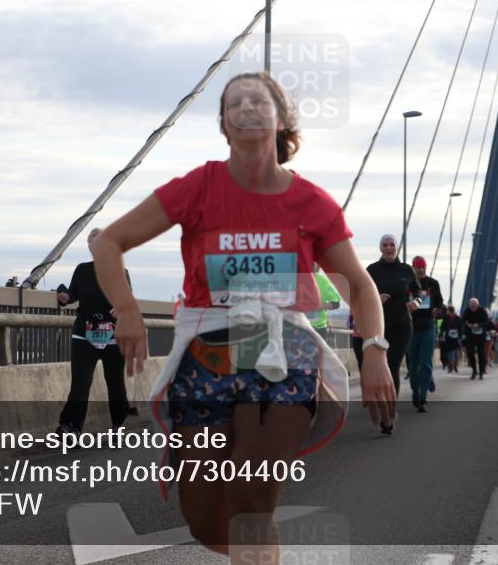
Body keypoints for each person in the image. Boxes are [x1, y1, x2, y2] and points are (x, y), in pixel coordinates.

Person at [90, 71, 396, 557]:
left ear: (281, 121)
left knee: (252, 497)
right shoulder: (197, 188)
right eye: (236, 103)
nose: (248, 108)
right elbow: (109, 241)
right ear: (224, 126)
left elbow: (360, 283)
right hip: (207, 354)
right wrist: (125, 311)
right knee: (206, 519)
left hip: (284, 354)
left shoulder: (312, 203)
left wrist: (375, 350)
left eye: (260, 101)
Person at [55, 228, 132, 436]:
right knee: (81, 381)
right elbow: (72, 294)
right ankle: (71, 426)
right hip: (85, 331)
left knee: (115, 382)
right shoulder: (82, 270)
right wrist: (65, 297)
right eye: (92, 245)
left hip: (114, 334)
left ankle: (117, 424)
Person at [367, 234, 420, 432]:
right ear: (380, 248)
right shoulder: (372, 270)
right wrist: (374, 297)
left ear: (397, 248)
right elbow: (359, 292)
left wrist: (416, 302)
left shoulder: (406, 270)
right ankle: (383, 409)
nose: (388, 248)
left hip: (402, 326)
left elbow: (419, 292)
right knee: (380, 368)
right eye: (385, 245)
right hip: (378, 325)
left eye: (392, 245)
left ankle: (389, 414)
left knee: (392, 366)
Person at [407, 255, 444, 412]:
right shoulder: (407, 283)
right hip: (410, 328)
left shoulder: (433, 284)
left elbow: (440, 303)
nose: (420, 270)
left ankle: (422, 399)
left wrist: (438, 311)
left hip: (428, 327)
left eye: (422, 267)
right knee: (413, 365)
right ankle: (415, 392)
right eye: (417, 267)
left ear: (425, 268)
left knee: (426, 363)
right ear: (413, 268)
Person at [305, 263, 342, 340]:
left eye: (312, 264)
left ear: (318, 266)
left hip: (319, 328)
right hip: (300, 327)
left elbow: (336, 304)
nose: (310, 266)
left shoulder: (323, 281)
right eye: (308, 263)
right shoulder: (296, 280)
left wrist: (318, 305)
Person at [462, 298, 491, 380]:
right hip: (470, 334)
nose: (473, 307)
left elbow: (486, 322)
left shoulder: (482, 311)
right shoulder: (467, 311)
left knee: (481, 353)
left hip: (481, 335)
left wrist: (478, 325)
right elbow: (462, 321)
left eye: (474, 305)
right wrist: (467, 325)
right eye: (471, 306)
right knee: (470, 352)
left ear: (477, 305)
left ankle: (481, 372)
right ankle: (474, 370)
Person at [440, 305, 463, 373]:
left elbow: (461, 328)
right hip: (448, 338)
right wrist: (441, 335)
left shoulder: (458, 318)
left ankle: (455, 366)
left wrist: (460, 337)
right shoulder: (445, 318)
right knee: (449, 352)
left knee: (456, 353)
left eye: (448, 311)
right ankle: (450, 367)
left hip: (456, 338)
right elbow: (442, 327)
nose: (447, 312)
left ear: (450, 311)